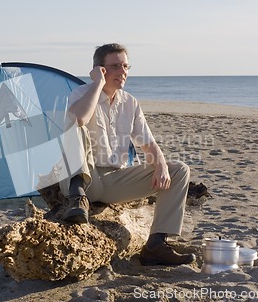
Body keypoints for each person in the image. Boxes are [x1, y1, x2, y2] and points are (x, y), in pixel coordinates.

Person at [59, 43, 196, 266]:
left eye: (125, 66)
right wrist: (98, 84)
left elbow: (148, 143)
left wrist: (160, 165)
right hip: (83, 179)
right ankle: (78, 199)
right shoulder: (81, 94)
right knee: (76, 126)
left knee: (179, 170)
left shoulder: (130, 103)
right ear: (100, 70)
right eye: (114, 66)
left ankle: (156, 245)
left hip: (115, 180)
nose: (122, 71)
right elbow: (80, 118)